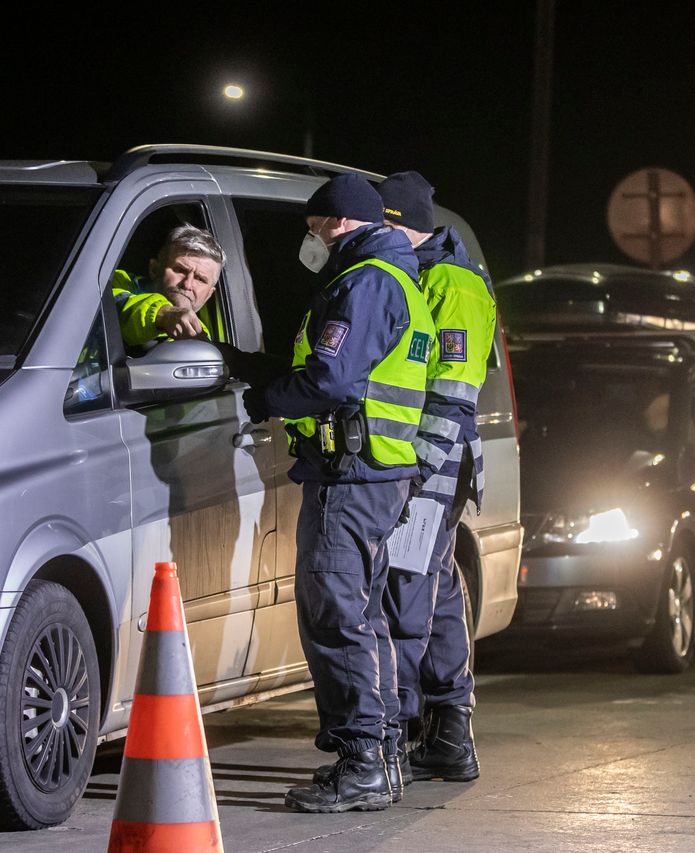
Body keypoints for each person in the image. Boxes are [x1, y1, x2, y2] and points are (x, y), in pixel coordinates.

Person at [240, 174, 434, 813]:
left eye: (314, 226)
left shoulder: (368, 281)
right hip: (373, 472)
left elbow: (330, 376)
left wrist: (265, 399)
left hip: (354, 476)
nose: (310, 238)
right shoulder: (391, 276)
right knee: (362, 616)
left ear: (341, 223)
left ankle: (363, 765)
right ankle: (379, 758)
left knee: (336, 617)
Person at [376, 170, 496, 786]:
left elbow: (453, 390)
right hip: (432, 461)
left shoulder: (452, 282)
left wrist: (417, 468)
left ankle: (395, 737)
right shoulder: (431, 273)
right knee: (438, 586)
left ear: (397, 222)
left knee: (405, 589)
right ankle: (448, 735)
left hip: (433, 463)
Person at [110, 224, 224, 346]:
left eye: (200, 279)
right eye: (180, 270)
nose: (187, 284)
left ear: (208, 295)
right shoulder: (113, 281)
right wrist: (163, 314)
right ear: (154, 269)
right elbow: (111, 310)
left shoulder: (199, 336)